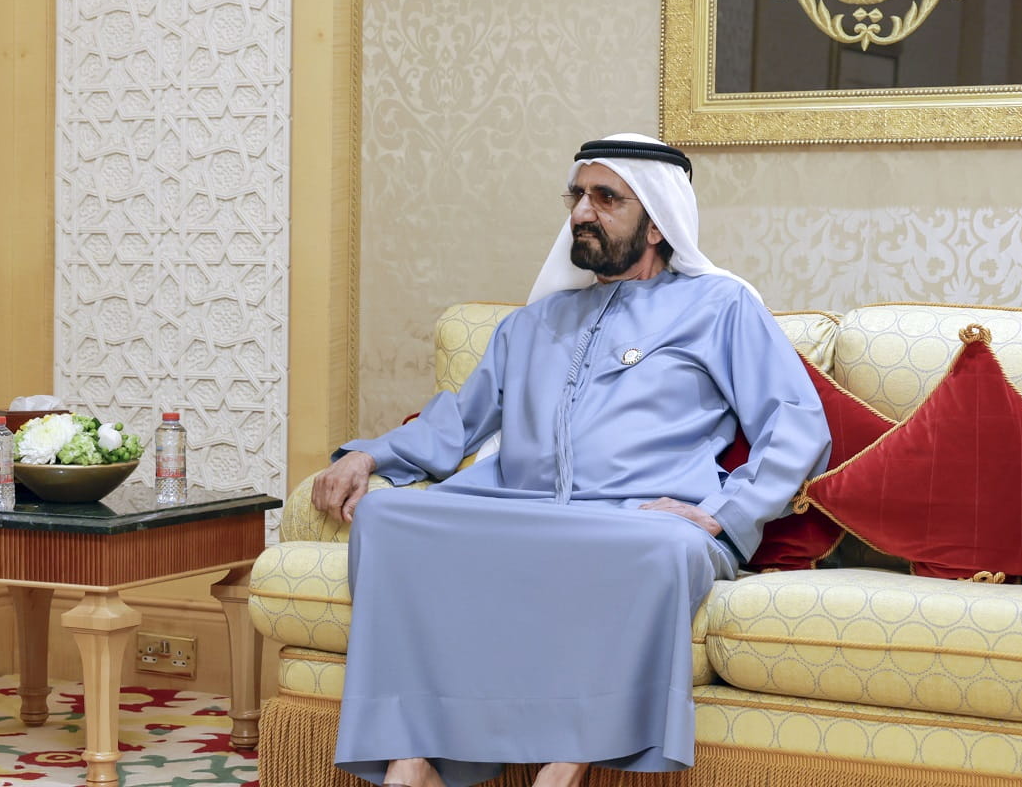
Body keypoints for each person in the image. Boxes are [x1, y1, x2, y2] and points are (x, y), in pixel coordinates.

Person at [316, 134, 831, 787]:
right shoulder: (533, 323)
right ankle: (412, 757)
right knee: (387, 520)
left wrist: (727, 512)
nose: (582, 212)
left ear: (656, 222)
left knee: (663, 551)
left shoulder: (719, 309)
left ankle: (563, 768)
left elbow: (795, 423)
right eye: (577, 196)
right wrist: (367, 456)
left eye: (605, 198)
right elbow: (457, 423)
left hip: (634, 516)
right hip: (522, 507)